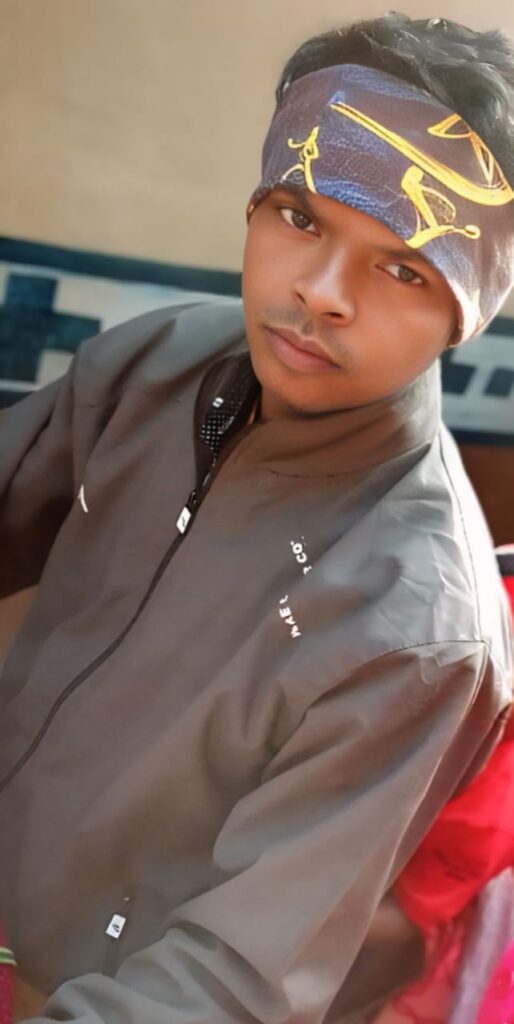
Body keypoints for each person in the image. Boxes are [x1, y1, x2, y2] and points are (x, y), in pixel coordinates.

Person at [0, 12, 513, 1024]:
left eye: (402, 268)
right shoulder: (156, 365)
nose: (319, 292)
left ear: (467, 309)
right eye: (299, 217)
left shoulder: (419, 634)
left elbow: (230, 979)